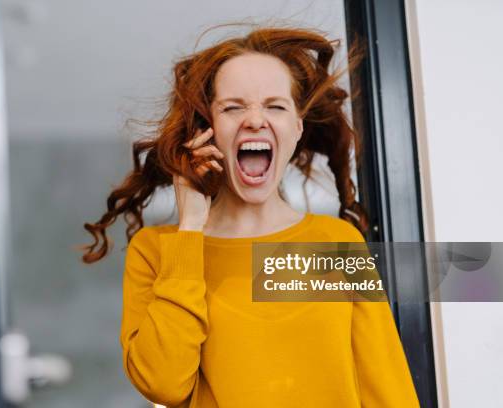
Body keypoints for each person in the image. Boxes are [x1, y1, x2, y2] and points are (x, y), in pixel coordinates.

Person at [82, 24, 420, 408]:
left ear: (296, 129)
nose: (256, 120)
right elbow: (163, 383)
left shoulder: (335, 244)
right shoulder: (159, 251)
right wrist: (191, 229)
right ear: (207, 131)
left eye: (275, 105)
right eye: (233, 107)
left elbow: (385, 387)